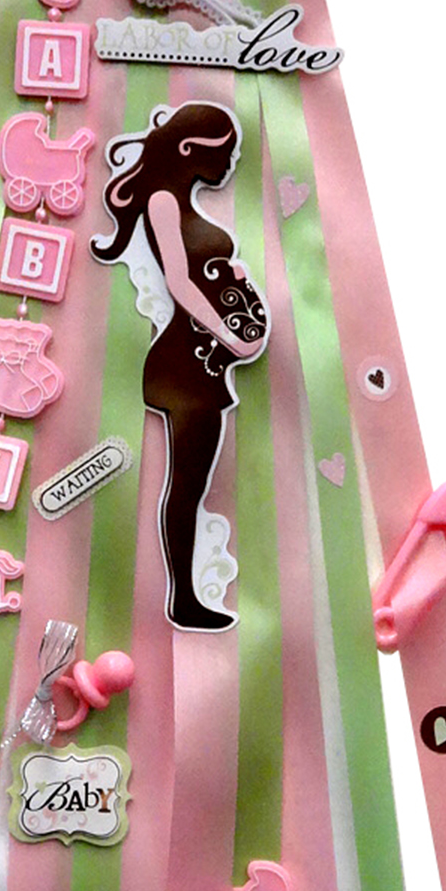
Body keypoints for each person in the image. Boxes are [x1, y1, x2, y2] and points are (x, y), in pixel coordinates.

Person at [92, 100, 268, 630]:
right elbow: (179, 282)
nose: (230, 164)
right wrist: (228, 336)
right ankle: (184, 598)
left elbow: (201, 273)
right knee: (187, 484)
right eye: (225, 154)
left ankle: (186, 594)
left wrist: (234, 278)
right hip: (186, 361)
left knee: (192, 482)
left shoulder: (178, 199)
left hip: (201, 359)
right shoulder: (164, 200)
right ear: (191, 149)